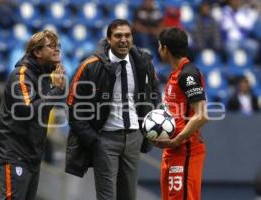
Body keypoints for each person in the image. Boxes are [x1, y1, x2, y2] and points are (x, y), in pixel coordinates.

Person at [65, 19, 160, 200]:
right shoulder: (90, 66)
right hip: (105, 139)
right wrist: (93, 140)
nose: (123, 40)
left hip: (134, 139)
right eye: (118, 36)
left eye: (127, 35)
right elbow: (73, 107)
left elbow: (155, 92)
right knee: (107, 197)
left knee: (129, 196)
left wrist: (146, 128)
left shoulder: (143, 62)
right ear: (108, 39)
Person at [0, 29, 65, 200]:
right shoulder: (21, 76)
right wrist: (56, 90)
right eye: (51, 46)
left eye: (58, 46)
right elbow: (30, 111)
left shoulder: (46, 76)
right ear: (37, 51)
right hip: (14, 155)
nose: (57, 50)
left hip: (32, 156)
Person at [153, 27, 208, 200]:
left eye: (159, 46)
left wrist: (177, 139)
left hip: (185, 150)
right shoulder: (175, 75)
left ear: (165, 49)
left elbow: (202, 115)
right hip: (172, 152)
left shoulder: (187, 74)